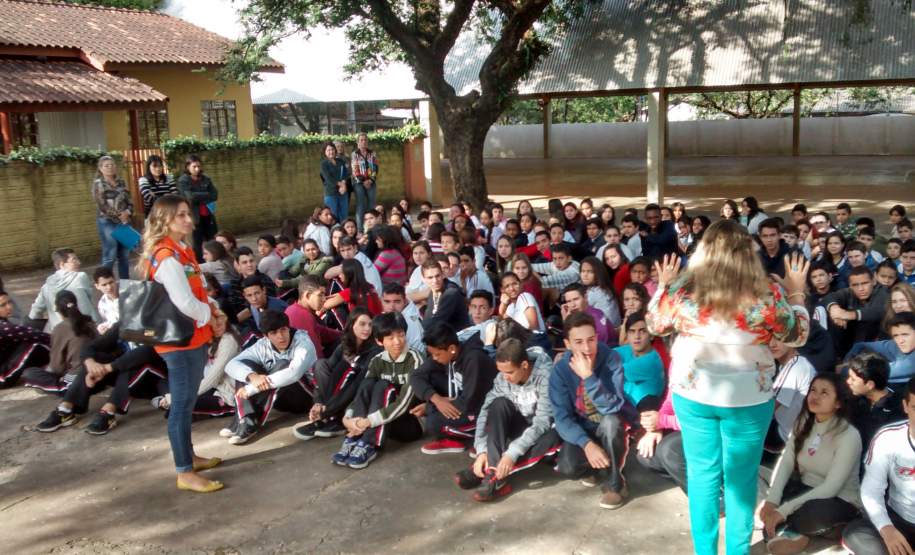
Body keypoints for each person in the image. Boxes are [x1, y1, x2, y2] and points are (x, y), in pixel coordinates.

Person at [646, 220, 810, 555]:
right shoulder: (767, 294)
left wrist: (663, 286)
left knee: (703, 478)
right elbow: (798, 335)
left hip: (693, 396)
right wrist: (796, 290)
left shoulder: (682, 290)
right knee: (741, 480)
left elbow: (655, 324)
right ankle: (737, 550)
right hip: (748, 399)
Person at [139, 193, 221, 493]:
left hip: (193, 336)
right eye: (181, 216)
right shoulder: (166, 258)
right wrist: (209, 317)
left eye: (188, 214)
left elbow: (197, 292)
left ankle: (190, 457)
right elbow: (184, 302)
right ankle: (184, 472)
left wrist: (213, 310)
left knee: (187, 403)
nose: (189, 220)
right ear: (165, 221)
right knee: (182, 405)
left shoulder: (182, 250)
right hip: (180, 343)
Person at [759, 374, 862, 555]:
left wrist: (783, 510)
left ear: (838, 403)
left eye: (824, 393)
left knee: (808, 513)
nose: (815, 396)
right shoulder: (803, 422)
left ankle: (799, 530)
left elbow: (831, 487)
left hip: (836, 500)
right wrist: (772, 501)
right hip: (804, 490)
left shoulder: (848, 435)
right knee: (766, 497)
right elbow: (786, 463)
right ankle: (795, 532)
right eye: (813, 390)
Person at [453, 338, 560, 501]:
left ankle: (493, 476)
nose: (505, 377)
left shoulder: (546, 376)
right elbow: (486, 410)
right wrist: (481, 450)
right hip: (521, 426)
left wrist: (512, 454)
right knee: (498, 404)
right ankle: (491, 470)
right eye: (501, 371)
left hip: (545, 430)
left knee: (553, 436)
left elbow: (542, 422)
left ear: (524, 366)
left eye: (509, 372)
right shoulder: (502, 378)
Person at [551, 311, 634, 510]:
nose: (587, 348)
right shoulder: (560, 370)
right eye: (578, 342)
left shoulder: (611, 358)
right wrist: (587, 445)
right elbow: (562, 418)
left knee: (611, 423)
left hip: (607, 423)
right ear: (568, 344)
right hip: (583, 427)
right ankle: (596, 465)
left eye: (591, 340)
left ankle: (616, 483)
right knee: (567, 467)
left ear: (597, 337)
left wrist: (589, 377)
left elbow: (613, 406)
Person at [35, 321, 168, 434]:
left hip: (156, 379)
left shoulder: (157, 324)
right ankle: (66, 409)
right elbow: (93, 346)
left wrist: (107, 368)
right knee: (97, 358)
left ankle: (108, 412)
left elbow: (147, 352)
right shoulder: (125, 322)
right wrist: (90, 363)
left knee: (134, 363)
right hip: (127, 379)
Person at [334, 312, 424, 469]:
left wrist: (369, 421)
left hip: (410, 423)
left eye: (401, 335)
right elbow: (362, 393)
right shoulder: (378, 361)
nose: (397, 342)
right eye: (390, 338)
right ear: (379, 341)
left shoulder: (415, 359)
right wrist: (348, 418)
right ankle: (356, 436)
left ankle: (368, 443)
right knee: (368, 384)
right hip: (383, 421)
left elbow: (404, 402)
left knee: (384, 386)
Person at [842, 376, 915, 555]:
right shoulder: (888, 438)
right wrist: (886, 529)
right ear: (905, 406)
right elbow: (871, 490)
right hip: (900, 519)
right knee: (856, 534)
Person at [222, 310, 316, 444]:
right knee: (246, 368)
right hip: (280, 399)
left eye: (283, 330)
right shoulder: (262, 345)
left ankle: (249, 422)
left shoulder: (303, 342)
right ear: (266, 336)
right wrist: (252, 377)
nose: (281, 336)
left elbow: (293, 373)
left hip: (306, 398)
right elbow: (231, 365)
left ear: (288, 328)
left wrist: (251, 388)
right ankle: (245, 418)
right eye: (274, 333)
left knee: (283, 364)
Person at [294, 308, 380, 441]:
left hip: (356, 394)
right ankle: (326, 415)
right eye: (362, 324)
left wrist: (327, 409)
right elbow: (328, 373)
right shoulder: (344, 345)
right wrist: (318, 402)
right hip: (336, 394)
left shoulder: (374, 349)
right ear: (352, 325)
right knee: (321, 365)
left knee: (348, 370)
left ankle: (331, 417)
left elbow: (358, 383)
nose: (367, 328)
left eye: (370, 325)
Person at [410, 322, 497, 454]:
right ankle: (459, 435)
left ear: (451, 348)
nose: (434, 358)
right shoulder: (446, 352)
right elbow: (415, 376)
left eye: (437, 354)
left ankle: (484, 435)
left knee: (433, 423)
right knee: (429, 378)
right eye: (432, 354)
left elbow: (468, 403)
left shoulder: (474, 359)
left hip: (483, 408)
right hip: (461, 397)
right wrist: (436, 399)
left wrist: (429, 407)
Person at [20, 290, 96, 394]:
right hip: (98, 374)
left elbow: (57, 367)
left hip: (79, 380)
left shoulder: (60, 328)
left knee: (29, 373)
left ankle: (65, 389)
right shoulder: (90, 322)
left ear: (59, 311)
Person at [825, 266, 891, 357]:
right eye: (855, 285)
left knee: (866, 322)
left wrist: (848, 315)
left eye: (865, 283)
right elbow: (829, 297)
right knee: (829, 316)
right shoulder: (850, 292)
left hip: (877, 343)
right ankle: (836, 357)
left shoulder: (882, 292)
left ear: (874, 281)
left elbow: (877, 311)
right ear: (850, 285)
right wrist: (834, 309)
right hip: (850, 341)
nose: (860, 289)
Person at [765, 337, 816, 453]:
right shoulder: (795, 364)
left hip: (781, 436)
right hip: (785, 431)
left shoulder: (796, 366)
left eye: (779, 339)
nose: (772, 344)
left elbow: (769, 408)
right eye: (769, 338)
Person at [28, 248, 98, 331]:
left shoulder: (46, 286)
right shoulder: (80, 277)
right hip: (87, 327)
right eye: (74, 260)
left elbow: (35, 312)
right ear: (62, 264)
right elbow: (89, 298)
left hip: (59, 331)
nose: (79, 262)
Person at [846, 352, 904, 452]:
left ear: (870, 385)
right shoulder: (854, 399)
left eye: (853, 379)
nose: (848, 381)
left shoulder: (897, 411)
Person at [845, 313, 915, 391]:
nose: (900, 340)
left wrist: (849, 368)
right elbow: (860, 345)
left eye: (905, 335)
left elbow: (880, 372)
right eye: (896, 335)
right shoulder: (894, 345)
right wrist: (847, 363)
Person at [613, 311, 664, 411]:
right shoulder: (628, 349)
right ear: (627, 335)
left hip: (643, 411)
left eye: (642, 331)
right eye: (632, 331)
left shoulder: (652, 360)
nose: (637, 337)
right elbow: (604, 355)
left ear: (651, 335)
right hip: (625, 406)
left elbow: (614, 371)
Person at [193, 310, 240, 418]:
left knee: (179, 405)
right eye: (212, 326)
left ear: (226, 322)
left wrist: (176, 397)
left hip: (228, 394)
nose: (216, 328)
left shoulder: (228, 340)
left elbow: (213, 377)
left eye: (219, 324)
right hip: (214, 387)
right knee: (164, 384)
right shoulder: (211, 339)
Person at [92, 155, 133, 278]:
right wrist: (119, 215)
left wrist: (128, 212)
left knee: (124, 255)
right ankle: (104, 281)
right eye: (106, 166)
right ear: (100, 169)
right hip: (107, 222)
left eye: (112, 165)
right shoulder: (98, 184)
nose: (110, 167)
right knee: (111, 253)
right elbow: (102, 205)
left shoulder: (122, 181)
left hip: (124, 221)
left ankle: (125, 284)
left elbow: (129, 200)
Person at [284, 275, 342, 360]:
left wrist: (346, 334)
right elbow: (316, 355)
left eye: (324, 295)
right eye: (320, 295)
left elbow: (322, 332)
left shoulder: (293, 308)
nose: (324, 299)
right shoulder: (303, 316)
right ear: (307, 296)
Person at [0, 290, 50, 388]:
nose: (9, 307)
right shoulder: (3, 327)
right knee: (34, 344)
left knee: (29, 334)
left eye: (9, 302)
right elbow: (32, 334)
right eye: (3, 305)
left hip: (4, 362)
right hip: (2, 378)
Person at [176, 154, 218, 260]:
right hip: (194, 217)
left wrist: (198, 195)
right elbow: (190, 198)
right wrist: (205, 194)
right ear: (187, 167)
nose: (197, 169)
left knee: (213, 242)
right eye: (194, 166)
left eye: (199, 166)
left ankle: (215, 265)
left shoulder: (206, 179)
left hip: (208, 215)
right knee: (196, 245)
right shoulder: (183, 180)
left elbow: (214, 195)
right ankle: (200, 268)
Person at [419, 260, 471, 332]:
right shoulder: (433, 291)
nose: (435, 281)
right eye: (430, 278)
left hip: (461, 338)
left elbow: (434, 323)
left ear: (443, 275)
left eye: (437, 276)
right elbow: (428, 319)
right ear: (423, 279)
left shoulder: (451, 293)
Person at [380, 282, 425, 352]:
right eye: (387, 302)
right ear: (381, 301)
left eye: (397, 302)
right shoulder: (384, 316)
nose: (392, 307)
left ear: (405, 301)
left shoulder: (410, 322)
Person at [351, 132, 378, 233]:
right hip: (358, 182)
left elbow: (375, 168)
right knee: (361, 204)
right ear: (358, 142)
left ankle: (372, 228)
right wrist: (363, 181)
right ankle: (360, 230)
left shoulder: (373, 153)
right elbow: (355, 170)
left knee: (372, 204)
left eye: (365, 140)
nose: (364, 142)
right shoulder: (354, 154)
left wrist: (370, 180)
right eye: (361, 140)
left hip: (371, 181)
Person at [319, 143, 349, 224]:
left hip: (343, 192)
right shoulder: (323, 164)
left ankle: (344, 232)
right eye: (328, 150)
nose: (331, 152)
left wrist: (344, 184)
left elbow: (345, 174)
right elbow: (328, 179)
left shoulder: (340, 161)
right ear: (325, 152)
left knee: (344, 214)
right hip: (331, 193)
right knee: (332, 216)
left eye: (332, 149)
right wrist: (341, 185)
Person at [93, 266, 119, 334]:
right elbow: (109, 322)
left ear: (115, 280)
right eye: (104, 285)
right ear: (97, 286)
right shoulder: (102, 304)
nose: (109, 287)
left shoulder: (131, 293)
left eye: (111, 282)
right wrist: (104, 327)